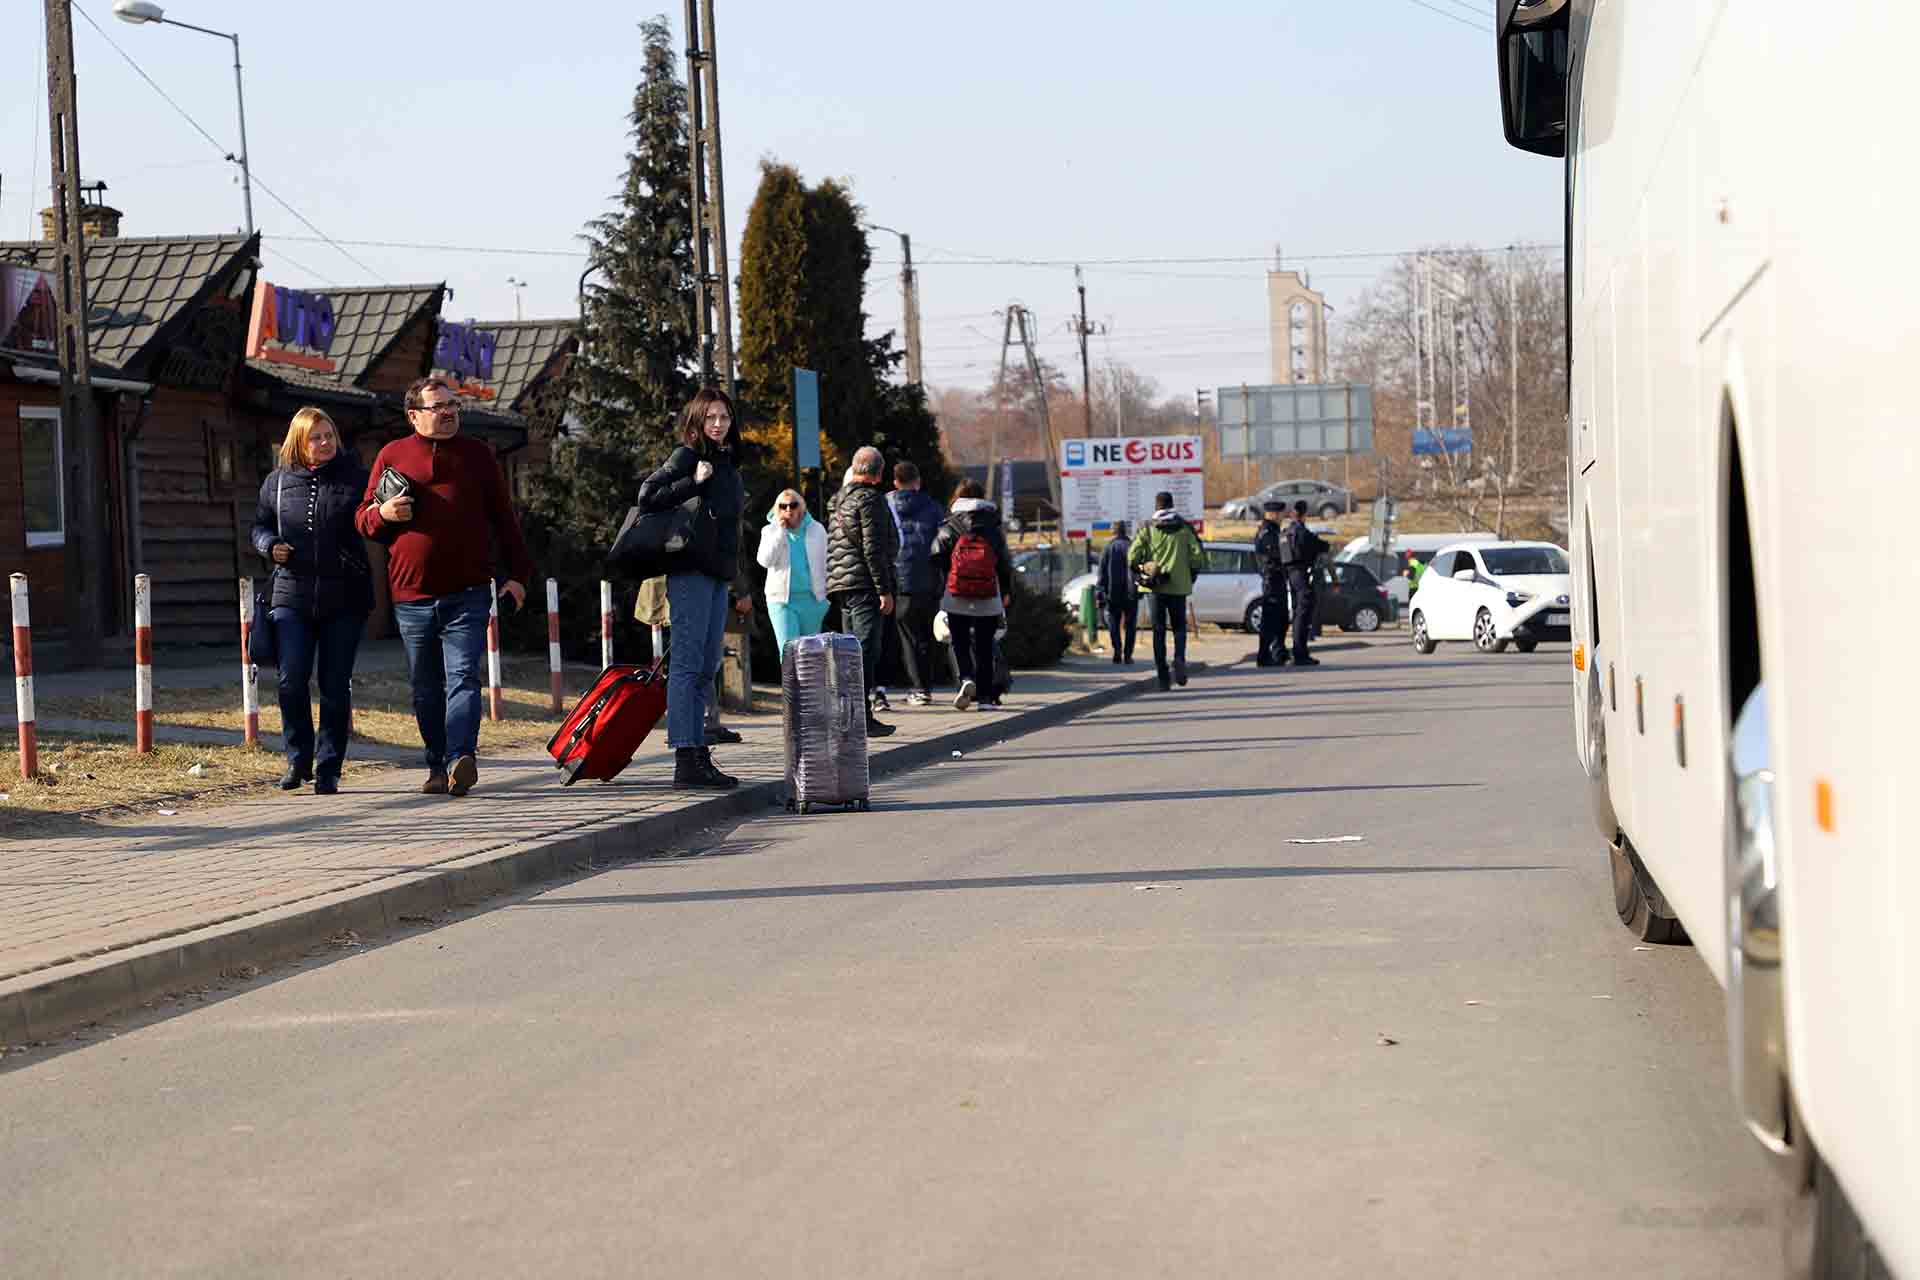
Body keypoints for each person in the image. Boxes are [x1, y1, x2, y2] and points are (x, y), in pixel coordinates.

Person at [358, 376, 534, 798]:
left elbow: (504, 521)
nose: (449, 411)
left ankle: (460, 758)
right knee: (425, 685)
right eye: (438, 406)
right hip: (411, 595)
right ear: (414, 415)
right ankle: (436, 764)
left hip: (469, 591)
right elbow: (363, 520)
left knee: (463, 677)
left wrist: (519, 575)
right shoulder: (391, 455)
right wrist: (383, 513)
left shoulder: (478, 455)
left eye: (453, 404)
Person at [251, 407, 372, 795]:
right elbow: (259, 526)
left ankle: (329, 766)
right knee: (291, 679)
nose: (324, 444)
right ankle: (297, 759)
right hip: (291, 593)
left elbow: (376, 520)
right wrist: (269, 546)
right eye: (315, 438)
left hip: (345, 594)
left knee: (335, 684)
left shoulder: (356, 478)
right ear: (299, 443)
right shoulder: (277, 482)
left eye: (329, 436)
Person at [636, 387, 752, 788]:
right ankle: (685, 759)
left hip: (717, 574)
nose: (718, 424)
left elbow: (731, 530)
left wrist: (739, 582)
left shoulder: (729, 463)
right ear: (697, 421)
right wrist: (692, 482)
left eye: (724, 417)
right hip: (690, 573)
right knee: (687, 666)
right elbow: (648, 496)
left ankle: (698, 752)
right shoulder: (688, 456)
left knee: (707, 666)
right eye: (710, 418)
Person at [826, 446, 899, 737]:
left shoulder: (838, 500)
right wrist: (885, 589)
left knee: (849, 652)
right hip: (865, 585)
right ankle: (861, 718)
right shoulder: (870, 500)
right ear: (879, 474)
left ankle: (847, 716)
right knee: (864, 651)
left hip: (842, 585)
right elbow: (873, 549)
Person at [929, 479, 1014, 711]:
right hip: (988, 593)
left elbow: (936, 552)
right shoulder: (992, 525)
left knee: (959, 640)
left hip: (956, 592)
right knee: (986, 645)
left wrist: (949, 575)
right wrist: (1006, 591)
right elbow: (1004, 562)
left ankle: (966, 678)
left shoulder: (950, 524)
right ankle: (985, 699)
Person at [1128, 492, 1204, 691]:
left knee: (1158, 630)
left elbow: (1132, 557)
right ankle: (1179, 658)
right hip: (1179, 587)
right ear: (1172, 505)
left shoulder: (1147, 528)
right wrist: (1189, 574)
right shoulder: (1185, 528)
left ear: (1156, 506)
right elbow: (1198, 557)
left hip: (1155, 588)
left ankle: (1162, 675)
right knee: (1179, 628)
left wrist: (1145, 568)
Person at [887, 461, 944, 706]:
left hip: (899, 581)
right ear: (917, 481)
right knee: (925, 636)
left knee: (906, 636)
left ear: (895, 482)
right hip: (929, 580)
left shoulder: (886, 506)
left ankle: (916, 688)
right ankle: (925, 687)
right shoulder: (932, 507)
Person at [758, 488, 829, 654]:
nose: (788, 509)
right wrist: (780, 533)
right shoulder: (769, 531)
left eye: (793, 505)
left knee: (810, 656)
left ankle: (807, 682)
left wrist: (825, 598)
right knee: (789, 653)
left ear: (801, 507)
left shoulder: (816, 529)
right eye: (783, 506)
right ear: (778, 509)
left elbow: (828, 561)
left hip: (812, 601)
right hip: (782, 602)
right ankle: (790, 682)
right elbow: (765, 561)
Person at [1284, 500, 1332, 666]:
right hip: (1302, 575)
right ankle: (1300, 653)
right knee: (1302, 616)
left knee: (1298, 612)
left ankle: (1299, 652)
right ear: (1304, 515)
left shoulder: (1286, 532)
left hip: (1291, 575)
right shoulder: (1302, 532)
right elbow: (1323, 546)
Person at [1250, 500, 1293, 668]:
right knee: (1270, 620)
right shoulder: (1267, 532)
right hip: (1272, 579)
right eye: (1281, 513)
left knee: (1281, 619)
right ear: (1273, 513)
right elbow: (1273, 556)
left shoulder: (1274, 530)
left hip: (1278, 578)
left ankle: (1279, 652)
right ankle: (1264, 656)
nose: (1283, 517)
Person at [1097, 521, 1138, 665]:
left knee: (1113, 622)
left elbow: (1101, 573)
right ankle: (1128, 654)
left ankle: (1117, 651)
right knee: (1130, 624)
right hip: (1131, 591)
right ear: (1125, 531)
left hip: (1112, 592)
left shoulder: (1108, 548)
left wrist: (1100, 592)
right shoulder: (1133, 545)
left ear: (1113, 532)